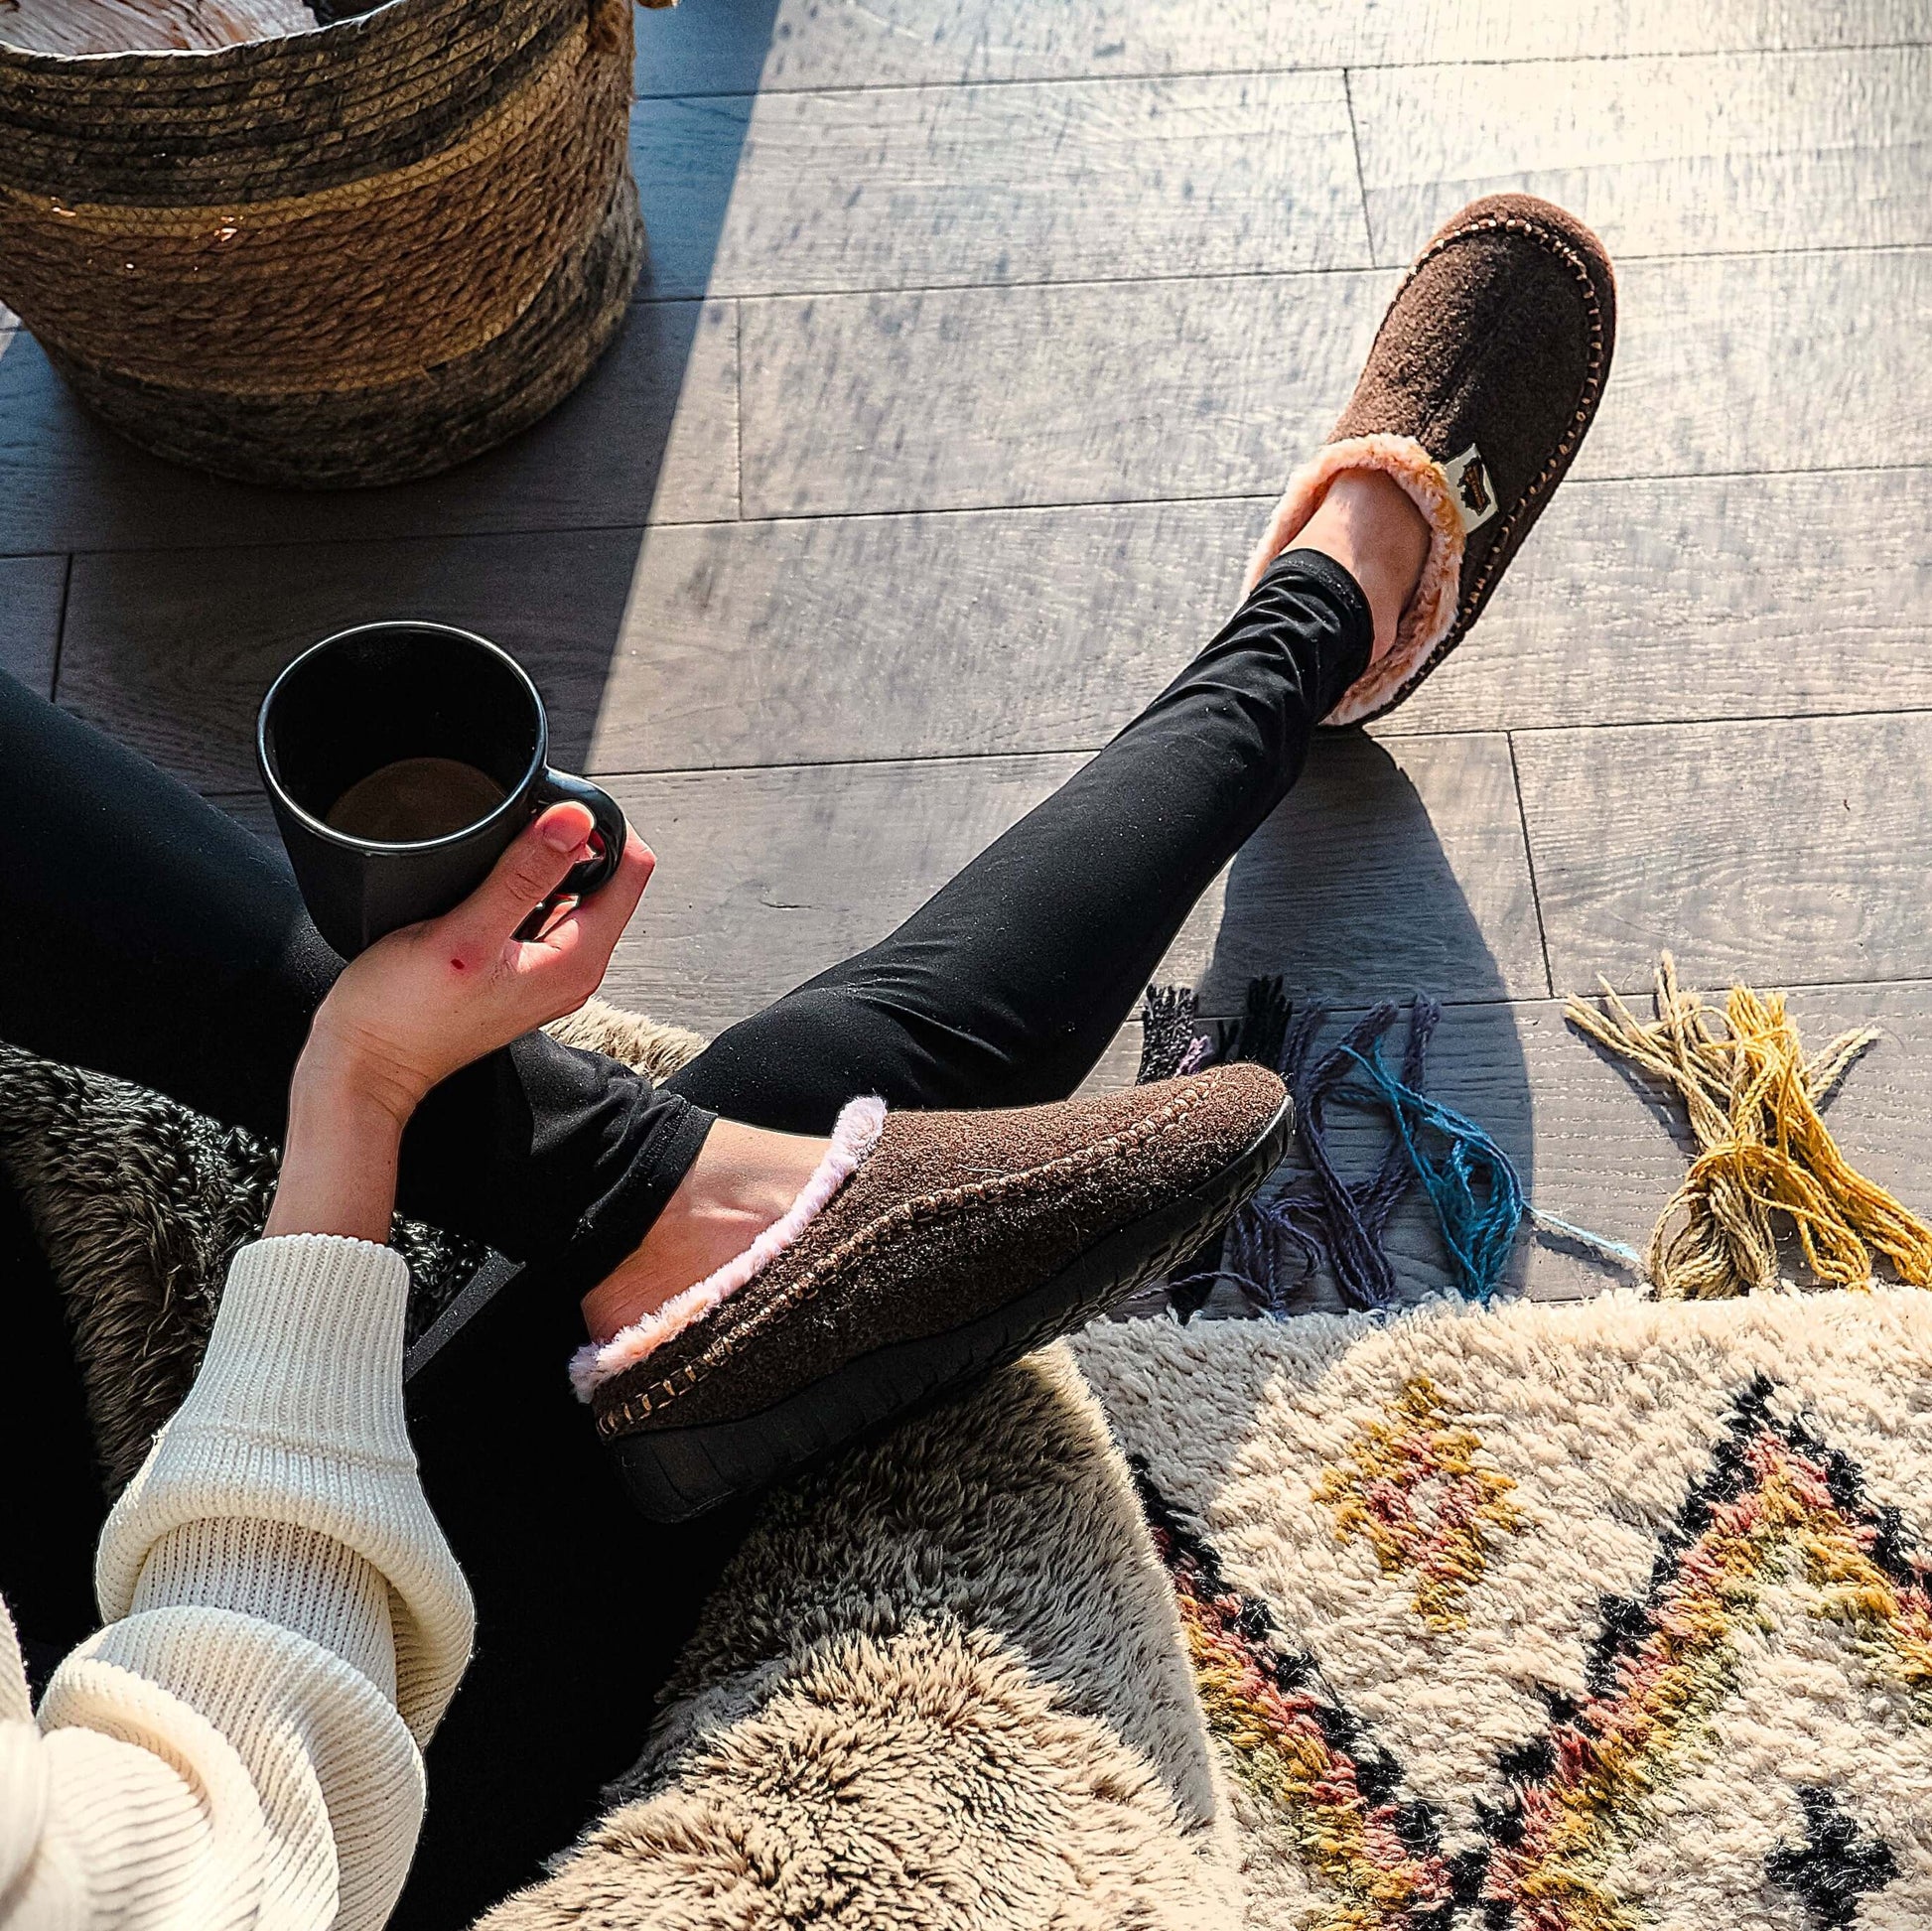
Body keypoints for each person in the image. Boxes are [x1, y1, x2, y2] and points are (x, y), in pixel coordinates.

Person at [0, 194, 1613, 1925]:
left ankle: (666, 1179)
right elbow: (233, 1857)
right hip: (284, 1829)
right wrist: (356, 1101)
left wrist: (381, 1075)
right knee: (813, 1095)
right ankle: (1307, 629)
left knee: (761, 1147)